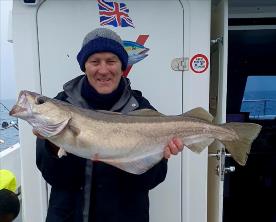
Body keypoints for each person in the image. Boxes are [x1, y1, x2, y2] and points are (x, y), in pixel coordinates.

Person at [35, 27, 183, 222]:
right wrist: (53, 145)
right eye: (95, 61)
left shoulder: (141, 110)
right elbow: (54, 178)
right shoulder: (61, 106)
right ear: (84, 66)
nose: (103, 70)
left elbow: (150, 181)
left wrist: (156, 157)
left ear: (122, 66)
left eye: (111, 61)